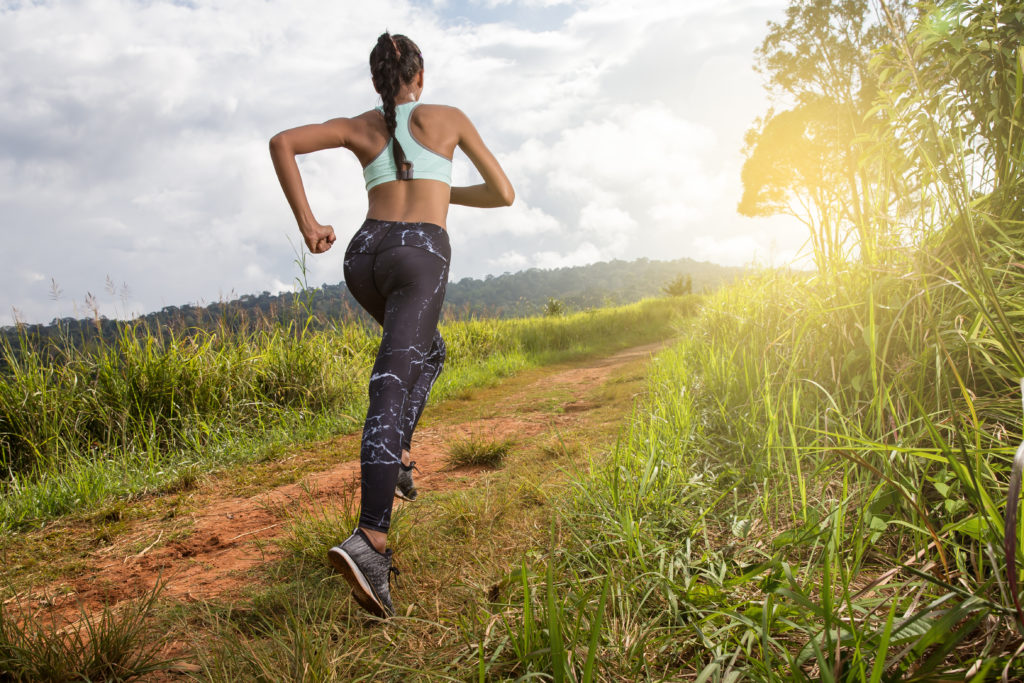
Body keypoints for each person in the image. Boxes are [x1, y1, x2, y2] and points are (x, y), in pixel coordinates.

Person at [269, 31, 514, 618]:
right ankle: (371, 539)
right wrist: (441, 192)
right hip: (418, 254)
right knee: (393, 380)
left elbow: (282, 141)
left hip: (365, 254)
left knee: (428, 355)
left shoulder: (360, 126)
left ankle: (397, 457)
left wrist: (309, 224)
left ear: (378, 80)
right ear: (419, 75)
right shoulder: (448, 117)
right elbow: (504, 193)